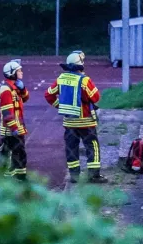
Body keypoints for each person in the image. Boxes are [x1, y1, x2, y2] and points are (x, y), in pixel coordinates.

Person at [45, 51, 108, 184]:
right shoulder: (84, 80)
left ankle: (74, 176)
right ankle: (94, 175)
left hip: (69, 122)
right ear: (80, 65)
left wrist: (60, 106)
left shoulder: (61, 79)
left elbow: (48, 95)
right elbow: (96, 97)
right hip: (86, 121)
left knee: (71, 147)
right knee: (92, 145)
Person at [0, 59, 29, 180]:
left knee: (20, 153)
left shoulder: (15, 87)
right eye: (19, 70)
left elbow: (25, 98)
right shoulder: (6, 89)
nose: (21, 72)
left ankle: (21, 177)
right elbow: (7, 112)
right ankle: (8, 179)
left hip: (18, 127)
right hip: (11, 129)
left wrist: (23, 89)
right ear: (12, 73)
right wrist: (14, 128)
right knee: (10, 154)